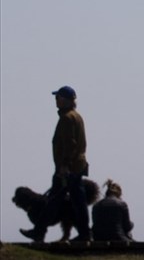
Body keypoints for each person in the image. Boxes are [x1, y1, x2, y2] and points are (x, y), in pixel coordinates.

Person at [20, 85, 91, 243]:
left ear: (65, 100)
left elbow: (70, 144)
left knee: (55, 201)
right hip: (77, 166)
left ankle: (39, 232)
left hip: (68, 168)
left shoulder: (66, 118)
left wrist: (64, 166)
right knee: (76, 202)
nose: (56, 100)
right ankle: (84, 234)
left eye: (57, 97)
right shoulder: (76, 116)